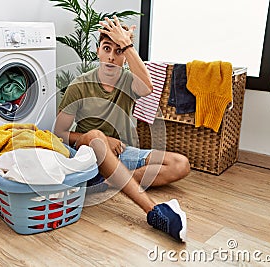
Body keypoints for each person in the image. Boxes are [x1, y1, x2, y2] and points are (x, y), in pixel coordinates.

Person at [54, 16, 190, 242]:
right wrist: (103, 140)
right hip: (86, 153)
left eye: (118, 52)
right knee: (97, 137)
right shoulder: (79, 85)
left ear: (125, 57)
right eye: (107, 48)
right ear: (98, 51)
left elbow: (147, 87)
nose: (111, 56)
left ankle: (107, 182)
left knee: (180, 164)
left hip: (120, 154)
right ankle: (153, 212)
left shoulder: (127, 81)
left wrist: (127, 45)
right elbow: (59, 134)